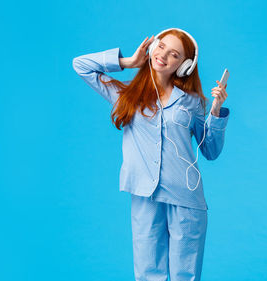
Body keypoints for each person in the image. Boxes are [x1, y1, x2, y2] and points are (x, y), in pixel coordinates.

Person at [71, 28, 230, 281]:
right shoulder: (126, 96)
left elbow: (210, 150)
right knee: (148, 275)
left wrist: (216, 111)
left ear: (185, 66)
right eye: (161, 46)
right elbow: (81, 65)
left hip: (186, 199)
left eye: (174, 54)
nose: (163, 55)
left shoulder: (193, 102)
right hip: (144, 196)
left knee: (185, 276)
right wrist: (128, 62)